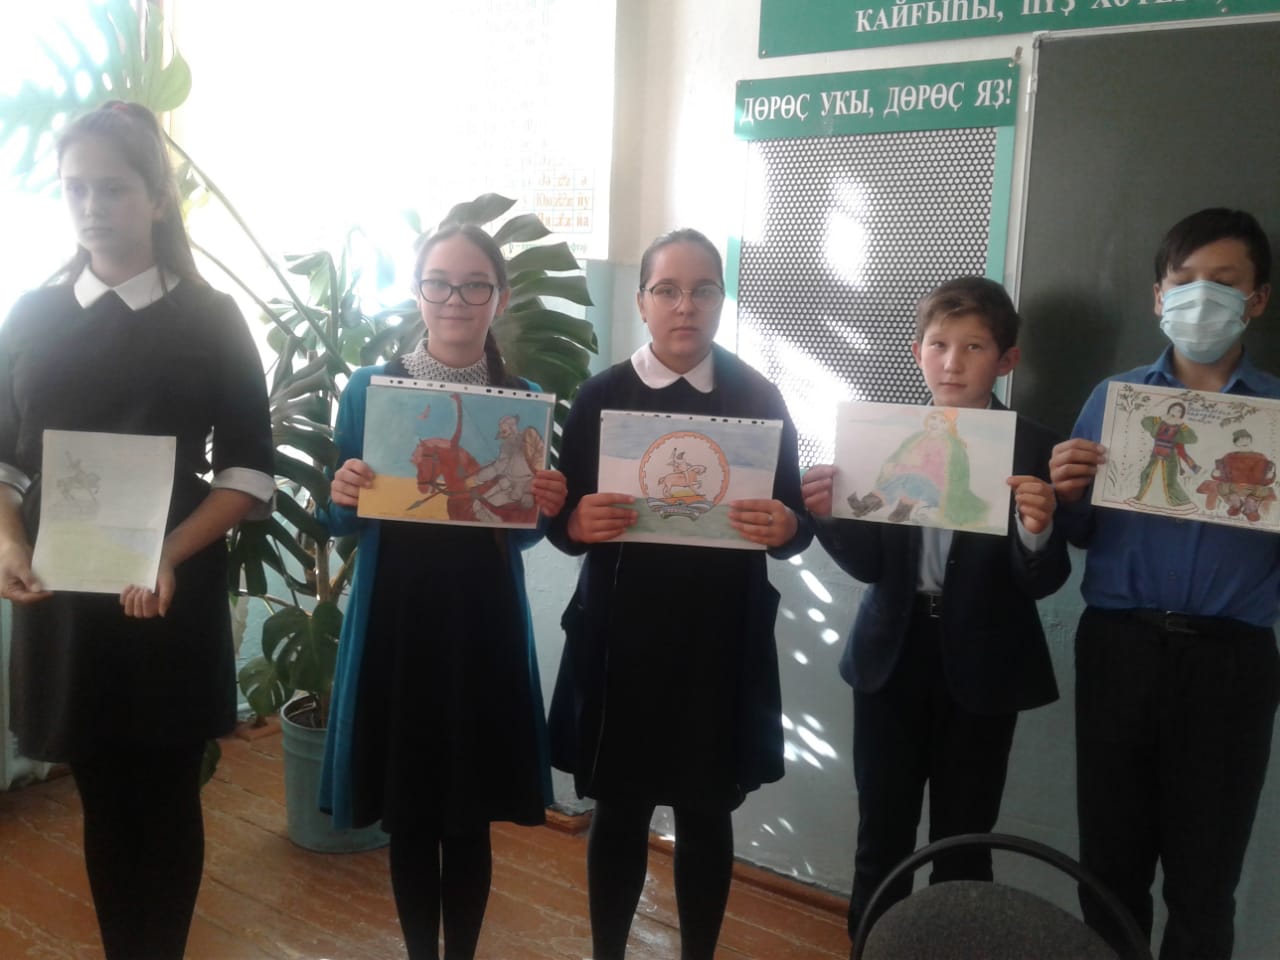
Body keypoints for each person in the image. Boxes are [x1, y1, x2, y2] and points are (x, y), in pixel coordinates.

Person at [0, 101, 275, 959]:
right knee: (103, 799)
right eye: (75, 188)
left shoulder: (211, 318)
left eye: (113, 188)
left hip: (166, 591)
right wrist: (8, 544)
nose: (92, 206)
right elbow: (4, 462)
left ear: (156, 197)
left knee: (167, 797)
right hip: (65, 600)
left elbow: (247, 472)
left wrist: (168, 552)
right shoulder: (32, 316)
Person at [546, 228, 811, 960]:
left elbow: (794, 521)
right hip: (619, 642)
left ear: (722, 300)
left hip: (718, 644)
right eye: (667, 290)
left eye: (702, 290)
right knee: (619, 812)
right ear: (641, 301)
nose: (684, 306)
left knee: (706, 813)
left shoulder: (757, 395)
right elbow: (561, 522)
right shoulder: (601, 395)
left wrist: (788, 524)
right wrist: (575, 522)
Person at [318, 223, 567, 960]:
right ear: (417, 291)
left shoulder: (523, 403)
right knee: (410, 813)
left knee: (468, 814)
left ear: (499, 297)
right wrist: (341, 492)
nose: (455, 299)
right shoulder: (369, 389)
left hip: (483, 626)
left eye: (474, 285)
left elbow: (520, 536)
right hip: (395, 623)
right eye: (439, 283)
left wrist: (542, 507)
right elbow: (342, 520)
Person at [800, 276, 1070, 942]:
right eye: (939, 344)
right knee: (880, 837)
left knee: (964, 844)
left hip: (984, 664)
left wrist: (1036, 529)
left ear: (1005, 360)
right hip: (891, 656)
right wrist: (830, 516)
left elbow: (1045, 580)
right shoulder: (885, 439)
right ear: (918, 351)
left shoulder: (1035, 447)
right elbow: (869, 566)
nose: (953, 362)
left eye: (974, 347)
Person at [1050, 208, 1278, 960]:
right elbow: (1081, 533)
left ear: (1257, 299)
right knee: (1108, 869)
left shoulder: (1277, 414)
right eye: (1185, 281)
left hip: (1231, 661)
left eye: (1225, 281)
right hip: (1119, 648)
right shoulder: (1114, 398)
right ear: (1158, 296)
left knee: (1205, 882)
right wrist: (1067, 492)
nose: (1201, 296)